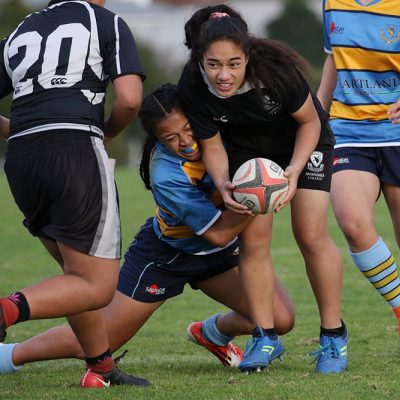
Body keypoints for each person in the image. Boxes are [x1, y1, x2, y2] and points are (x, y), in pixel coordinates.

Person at [0, 83, 296, 378]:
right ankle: (11, 355)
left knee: (280, 319)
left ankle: (213, 333)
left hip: (217, 256)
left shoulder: (220, 136)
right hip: (166, 256)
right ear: (157, 140)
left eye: (189, 129)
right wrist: (261, 197)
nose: (186, 142)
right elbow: (218, 233)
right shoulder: (166, 174)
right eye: (171, 137)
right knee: (99, 340)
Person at [179, 5, 347, 373]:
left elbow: (309, 122)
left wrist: (293, 172)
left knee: (310, 233)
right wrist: (223, 182)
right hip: (247, 151)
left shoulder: (276, 72)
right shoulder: (191, 84)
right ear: (200, 59)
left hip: (305, 142)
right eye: (214, 64)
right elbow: (213, 145)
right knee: (254, 241)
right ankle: (265, 336)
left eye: (234, 64)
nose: (224, 74)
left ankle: (333, 338)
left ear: (248, 56)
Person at [0, 0, 149, 387]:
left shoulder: (21, 30)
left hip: (20, 160)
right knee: (96, 286)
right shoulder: (105, 20)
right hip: (75, 149)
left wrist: (17, 129)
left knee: (75, 275)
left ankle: (101, 367)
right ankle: (5, 312)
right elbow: (130, 99)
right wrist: (105, 134)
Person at [317, 0, 400, 356]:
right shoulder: (332, 3)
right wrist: (316, 115)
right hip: (347, 132)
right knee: (352, 223)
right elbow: (334, 59)